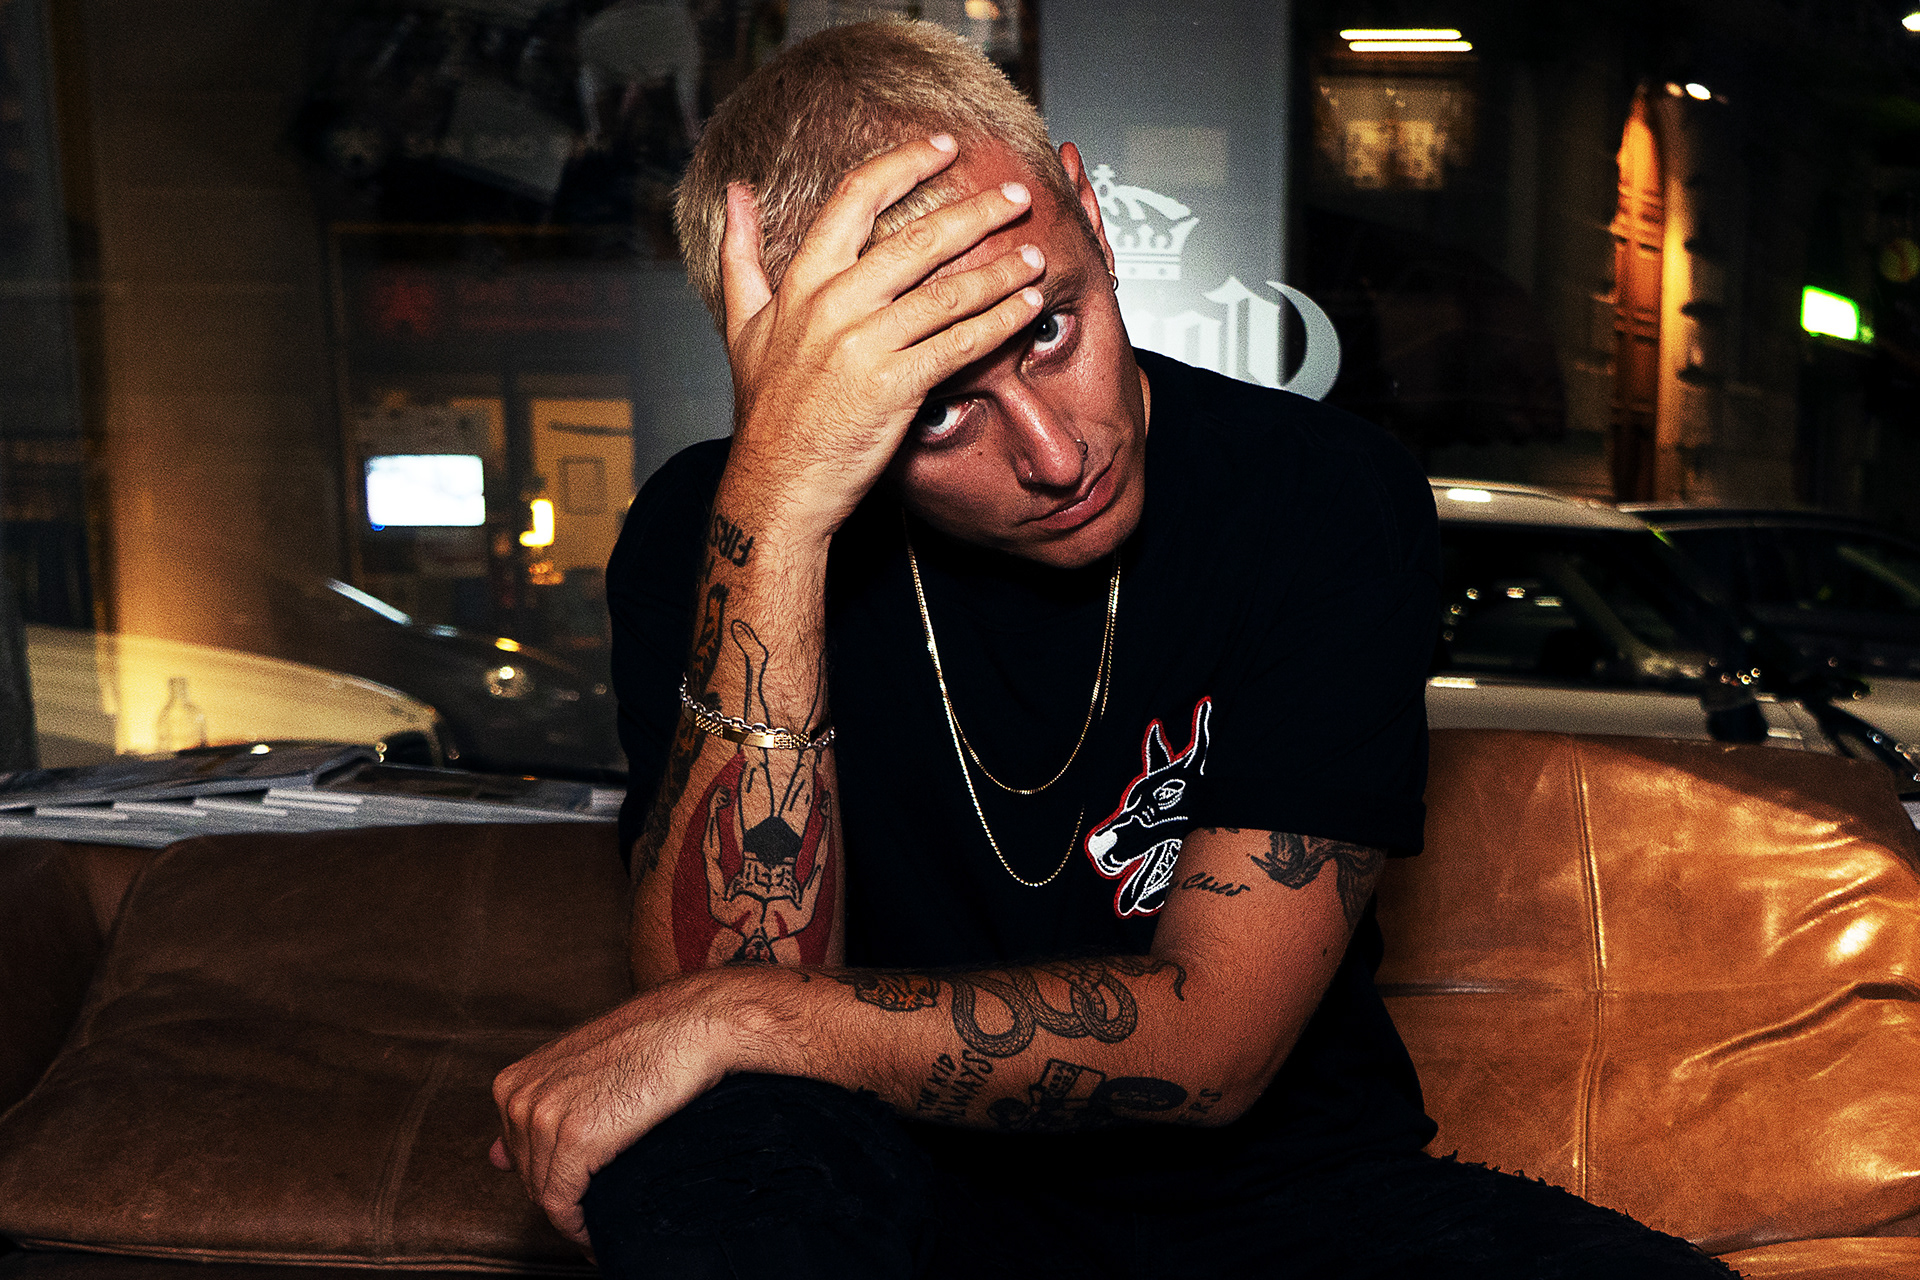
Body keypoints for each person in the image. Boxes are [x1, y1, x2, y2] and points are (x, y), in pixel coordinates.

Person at [490, 20, 1737, 1279]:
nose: (1054, 452)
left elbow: (1214, 1044)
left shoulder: (1316, 495)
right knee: (708, 1156)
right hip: (893, 1199)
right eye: (937, 409)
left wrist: (745, 1017)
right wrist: (782, 509)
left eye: (1050, 329)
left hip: (1284, 1205)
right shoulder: (718, 532)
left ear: (1089, 212)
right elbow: (713, 1072)